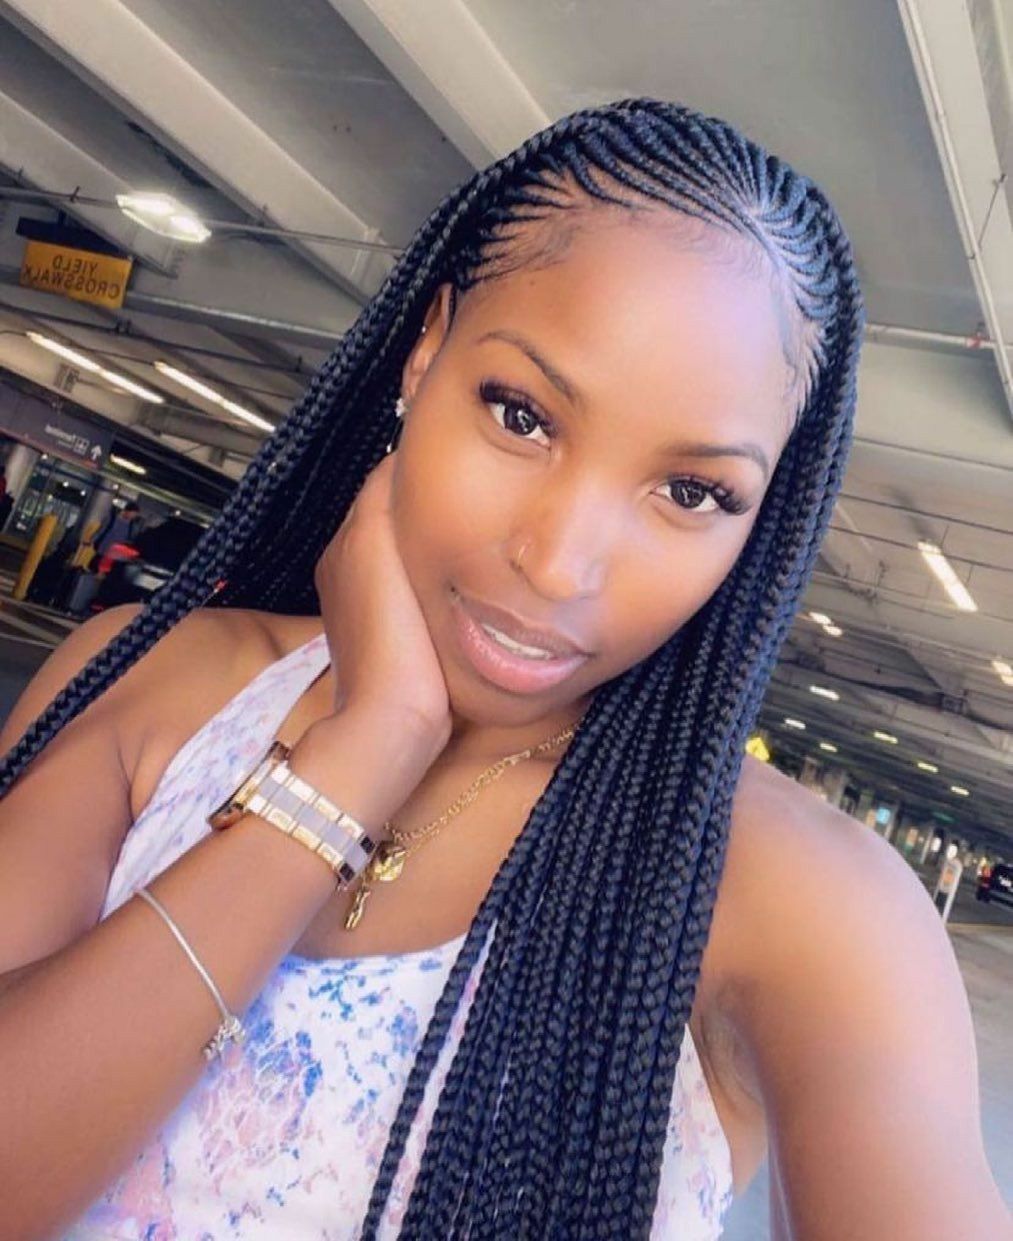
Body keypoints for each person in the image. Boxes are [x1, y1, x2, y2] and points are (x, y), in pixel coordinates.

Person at [0, 99, 1007, 1240]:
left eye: (691, 492)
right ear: (426, 349)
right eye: (522, 415)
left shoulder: (797, 901)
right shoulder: (149, 679)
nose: (559, 562)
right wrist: (363, 747)